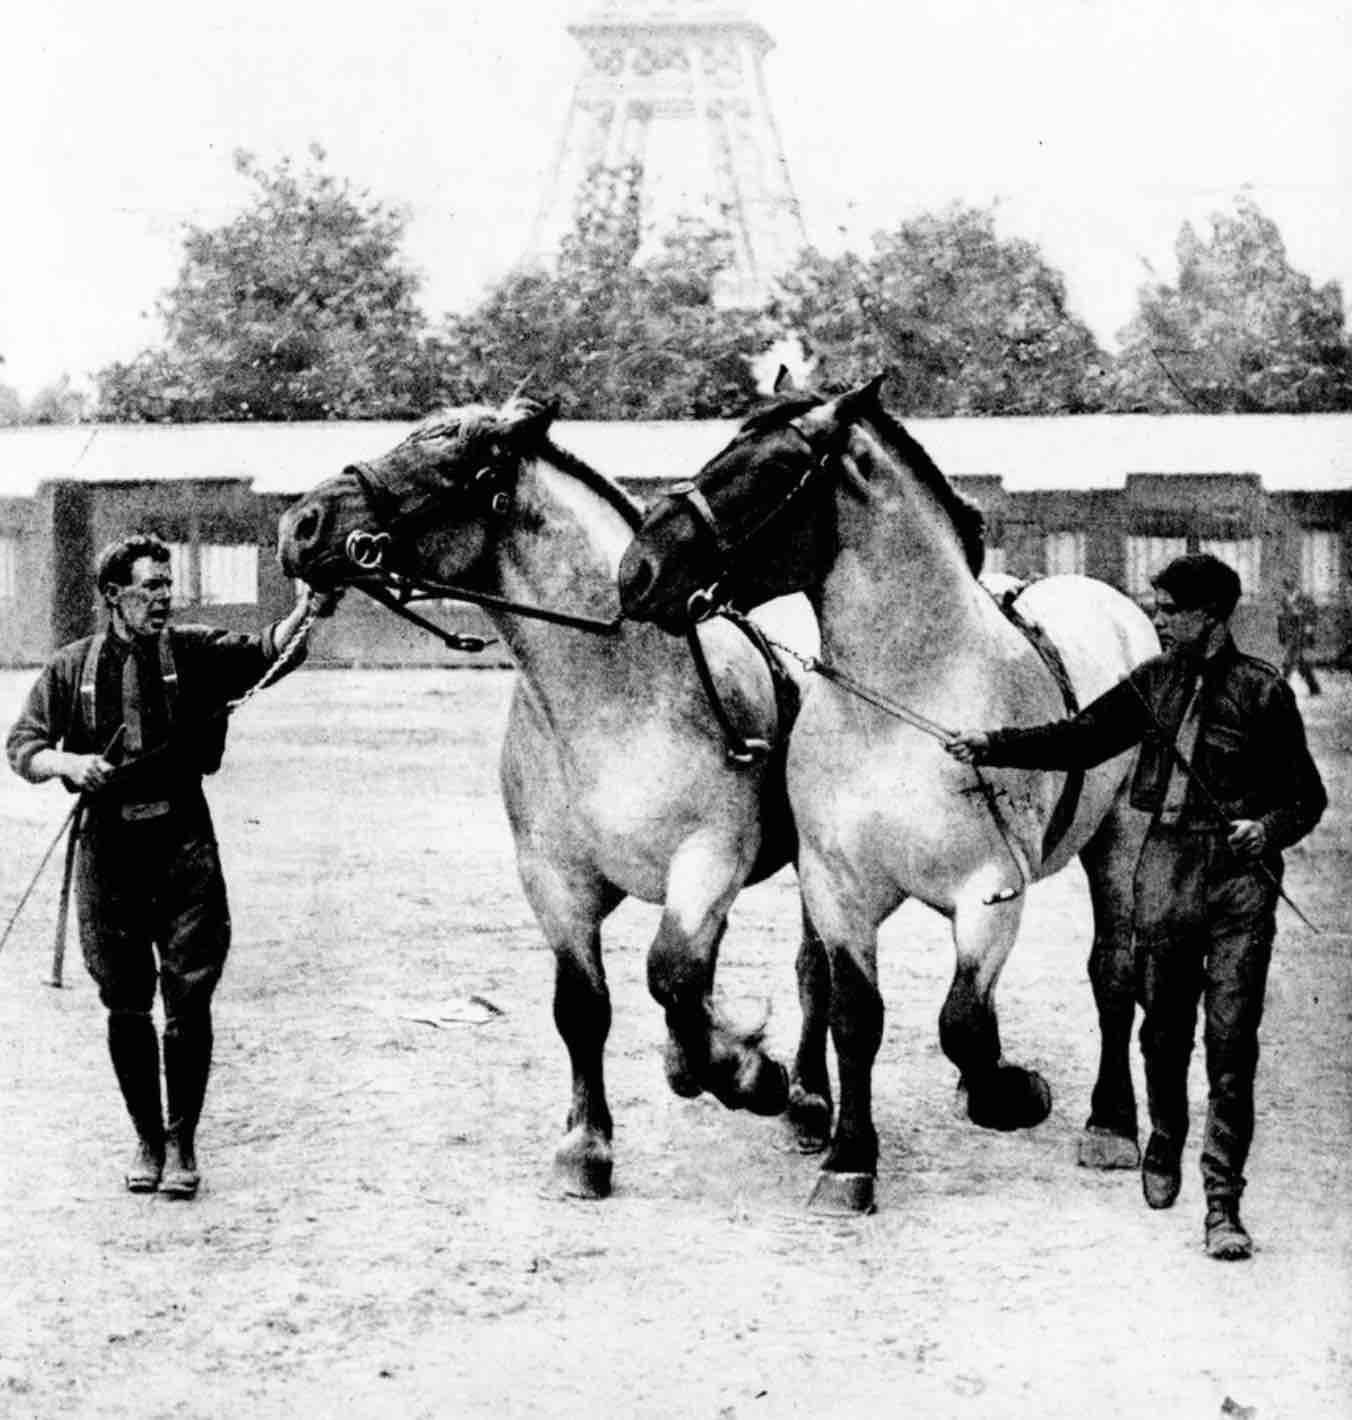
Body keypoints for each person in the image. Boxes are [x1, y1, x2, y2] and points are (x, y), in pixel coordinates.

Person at [944, 553, 1325, 1261]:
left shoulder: (1264, 692)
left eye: (1171, 608)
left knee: (1231, 1046)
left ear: (1211, 616)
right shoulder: (1150, 684)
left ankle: (1222, 1206)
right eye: (1155, 606)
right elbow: (1080, 738)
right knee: (1163, 1032)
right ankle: (1165, 1137)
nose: (1157, 618)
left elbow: (1308, 797)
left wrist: (1267, 829)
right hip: (1166, 870)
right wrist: (992, 746)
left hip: (1239, 880)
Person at [6, 535, 340, 1199]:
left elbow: (272, 651)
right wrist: (69, 764)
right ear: (113, 596)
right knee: (125, 1004)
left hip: (184, 845)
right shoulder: (70, 667)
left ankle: (183, 1142)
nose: (161, 598)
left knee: (188, 999)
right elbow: (24, 747)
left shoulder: (194, 651)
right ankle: (147, 1138)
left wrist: (310, 608)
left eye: (166, 585)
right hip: (108, 853)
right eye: (147, 588)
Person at [1276, 577, 1322, 696]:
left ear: (1295, 586)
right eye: (1287, 587)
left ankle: (1281, 688)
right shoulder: (1285, 600)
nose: (1289, 590)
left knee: (1289, 661)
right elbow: (1281, 619)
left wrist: (1310, 625)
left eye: (1290, 587)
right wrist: (1282, 635)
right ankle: (1314, 688)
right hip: (1291, 634)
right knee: (1302, 664)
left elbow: (1313, 612)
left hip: (1302, 633)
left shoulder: (1304, 598)